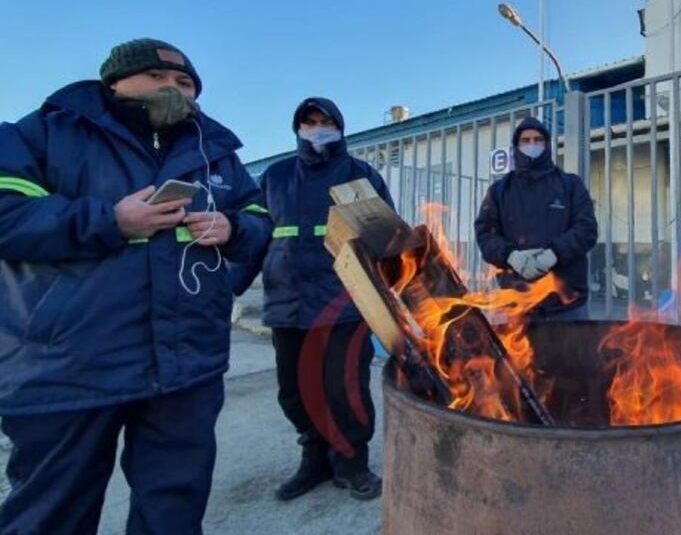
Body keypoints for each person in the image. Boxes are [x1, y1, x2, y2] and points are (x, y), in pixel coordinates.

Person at [0, 38, 272, 534]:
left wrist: (234, 229)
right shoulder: (43, 133)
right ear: (114, 82)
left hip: (186, 365)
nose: (173, 87)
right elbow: (7, 213)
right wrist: (109, 219)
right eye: (156, 76)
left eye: (185, 82)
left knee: (172, 509)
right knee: (50, 511)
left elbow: (257, 216)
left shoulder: (215, 153)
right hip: (69, 364)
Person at [230, 97, 391, 502]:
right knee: (293, 391)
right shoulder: (276, 176)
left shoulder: (360, 175)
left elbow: (385, 238)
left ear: (339, 126)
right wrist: (228, 287)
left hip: (343, 303)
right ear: (297, 128)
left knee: (345, 390)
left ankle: (352, 464)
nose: (318, 128)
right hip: (287, 303)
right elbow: (255, 236)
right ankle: (315, 459)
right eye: (309, 122)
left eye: (325, 121)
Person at [475, 116, 598, 321]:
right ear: (516, 146)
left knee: (573, 354)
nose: (532, 144)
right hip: (518, 304)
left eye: (538, 139)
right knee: (519, 354)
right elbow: (485, 233)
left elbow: (587, 229)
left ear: (546, 144)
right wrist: (511, 256)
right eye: (526, 140)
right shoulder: (499, 191)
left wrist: (555, 253)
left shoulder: (570, 184)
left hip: (567, 303)